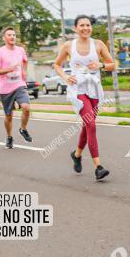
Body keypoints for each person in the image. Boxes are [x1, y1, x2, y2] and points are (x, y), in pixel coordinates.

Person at [52, 15, 115, 181]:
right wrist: (65, 78)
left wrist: (101, 65)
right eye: (82, 25)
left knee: (87, 126)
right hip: (78, 89)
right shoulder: (68, 46)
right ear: (75, 28)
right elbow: (57, 64)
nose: (85, 28)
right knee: (91, 124)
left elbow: (113, 65)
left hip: (94, 89)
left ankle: (77, 154)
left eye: (88, 25)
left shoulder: (98, 44)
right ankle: (98, 167)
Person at [0, 27, 32, 149]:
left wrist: (24, 71)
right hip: (5, 89)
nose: (12, 37)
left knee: (26, 107)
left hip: (19, 84)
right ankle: (9, 137)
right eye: (9, 35)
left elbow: (25, 61)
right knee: (9, 116)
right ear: (4, 38)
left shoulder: (20, 50)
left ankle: (23, 129)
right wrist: (9, 69)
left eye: (14, 35)